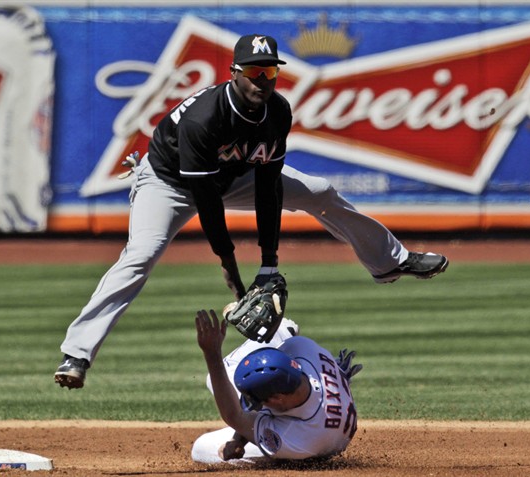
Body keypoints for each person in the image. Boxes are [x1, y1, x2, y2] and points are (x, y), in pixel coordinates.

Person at [54, 33, 448, 389]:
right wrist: (227, 261)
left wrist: (269, 265)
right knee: (141, 255)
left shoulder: (277, 112)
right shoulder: (203, 119)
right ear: (234, 74)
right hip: (168, 183)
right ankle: (78, 353)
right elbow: (206, 200)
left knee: (320, 191)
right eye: (254, 70)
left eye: (270, 70)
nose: (262, 79)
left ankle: (389, 261)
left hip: (235, 176)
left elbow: (268, 189)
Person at [192, 309, 361, 464]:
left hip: (305, 449)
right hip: (321, 419)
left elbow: (235, 416)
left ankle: (279, 331)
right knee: (220, 382)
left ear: (277, 398)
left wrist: (212, 354)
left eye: (258, 400)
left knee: (199, 448)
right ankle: (279, 329)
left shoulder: (297, 436)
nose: (255, 402)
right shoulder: (302, 348)